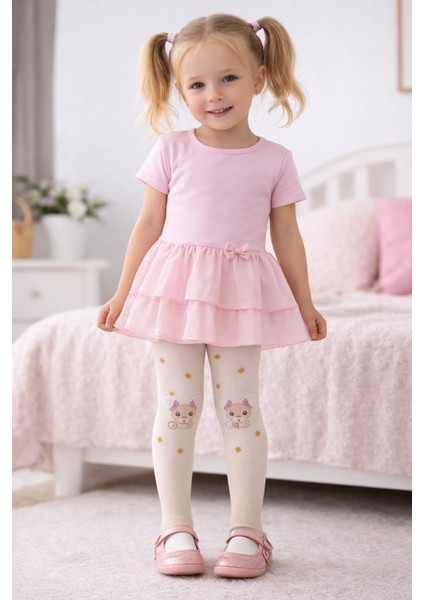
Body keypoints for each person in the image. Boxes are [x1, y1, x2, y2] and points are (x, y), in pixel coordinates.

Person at [97, 13, 326, 579]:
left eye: (228, 78)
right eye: (197, 84)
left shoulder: (275, 159)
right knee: (178, 408)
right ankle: (174, 527)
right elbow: (148, 225)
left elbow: (287, 237)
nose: (214, 95)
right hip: (173, 295)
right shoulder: (171, 150)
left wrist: (305, 303)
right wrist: (123, 294)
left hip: (240, 298)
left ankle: (247, 530)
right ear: (181, 90)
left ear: (259, 77)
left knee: (239, 410)